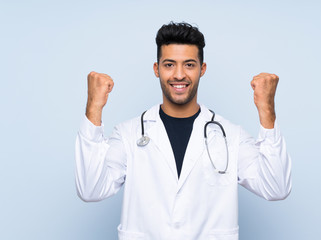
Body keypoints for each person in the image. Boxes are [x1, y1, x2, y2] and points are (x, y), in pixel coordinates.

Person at [75, 22, 292, 240]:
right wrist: (94, 107)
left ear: (202, 69)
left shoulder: (230, 135)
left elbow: (276, 188)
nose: (179, 75)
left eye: (189, 65)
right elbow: (91, 189)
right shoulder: (128, 134)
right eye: (169, 65)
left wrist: (266, 110)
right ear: (156, 69)